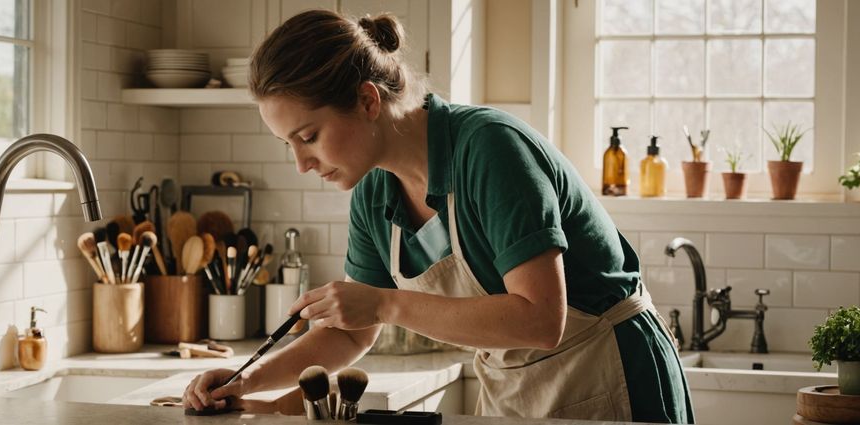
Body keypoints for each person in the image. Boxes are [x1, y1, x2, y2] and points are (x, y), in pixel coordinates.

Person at [183, 9, 693, 423]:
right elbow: (351, 333)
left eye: (309, 136)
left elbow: (541, 320)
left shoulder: (490, 149)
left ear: (367, 101)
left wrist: (383, 303)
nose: (301, 163)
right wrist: (244, 379)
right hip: (514, 390)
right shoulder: (372, 192)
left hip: (611, 374)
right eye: (286, 145)